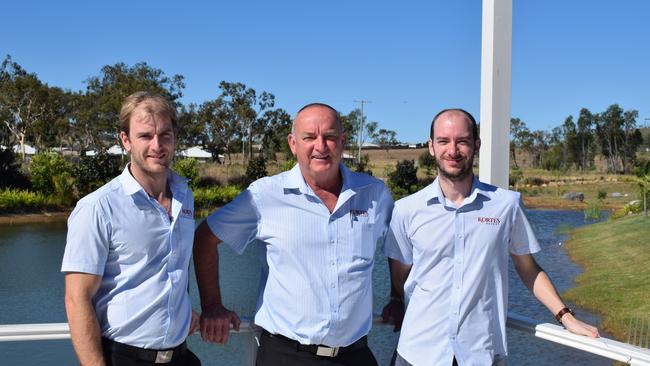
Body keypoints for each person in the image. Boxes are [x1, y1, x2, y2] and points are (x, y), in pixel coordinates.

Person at [381, 109, 599, 366]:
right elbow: (400, 270)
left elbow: (527, 268)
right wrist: (396, 300)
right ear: (431, 147)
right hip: (417, 353)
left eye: (462, 141)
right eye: (443, 141)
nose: (453, 150)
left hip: (481, 353)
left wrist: (566, 316)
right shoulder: (406, 209)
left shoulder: (506, 204)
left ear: (476, 145)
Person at [193, 103, 394, 366]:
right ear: (293, 144)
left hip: (355, 355)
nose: (320, 146)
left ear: (343, 142)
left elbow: (400, 245)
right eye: (309, 137)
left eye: (330, 137)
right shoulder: (265, 195)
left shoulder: (374, 194)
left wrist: (398, 297)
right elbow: (206, 237)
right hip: (286, 356)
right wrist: (212, 305)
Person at [62, 92, 201, 366]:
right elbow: (77, 298)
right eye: (145, 136)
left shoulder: (186, 196)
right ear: (125, 140)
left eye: (165, 135)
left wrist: (181, 310)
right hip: (124, 358)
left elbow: (175, 266)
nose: (157, 145)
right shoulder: (98, 207)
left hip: (181, 356)